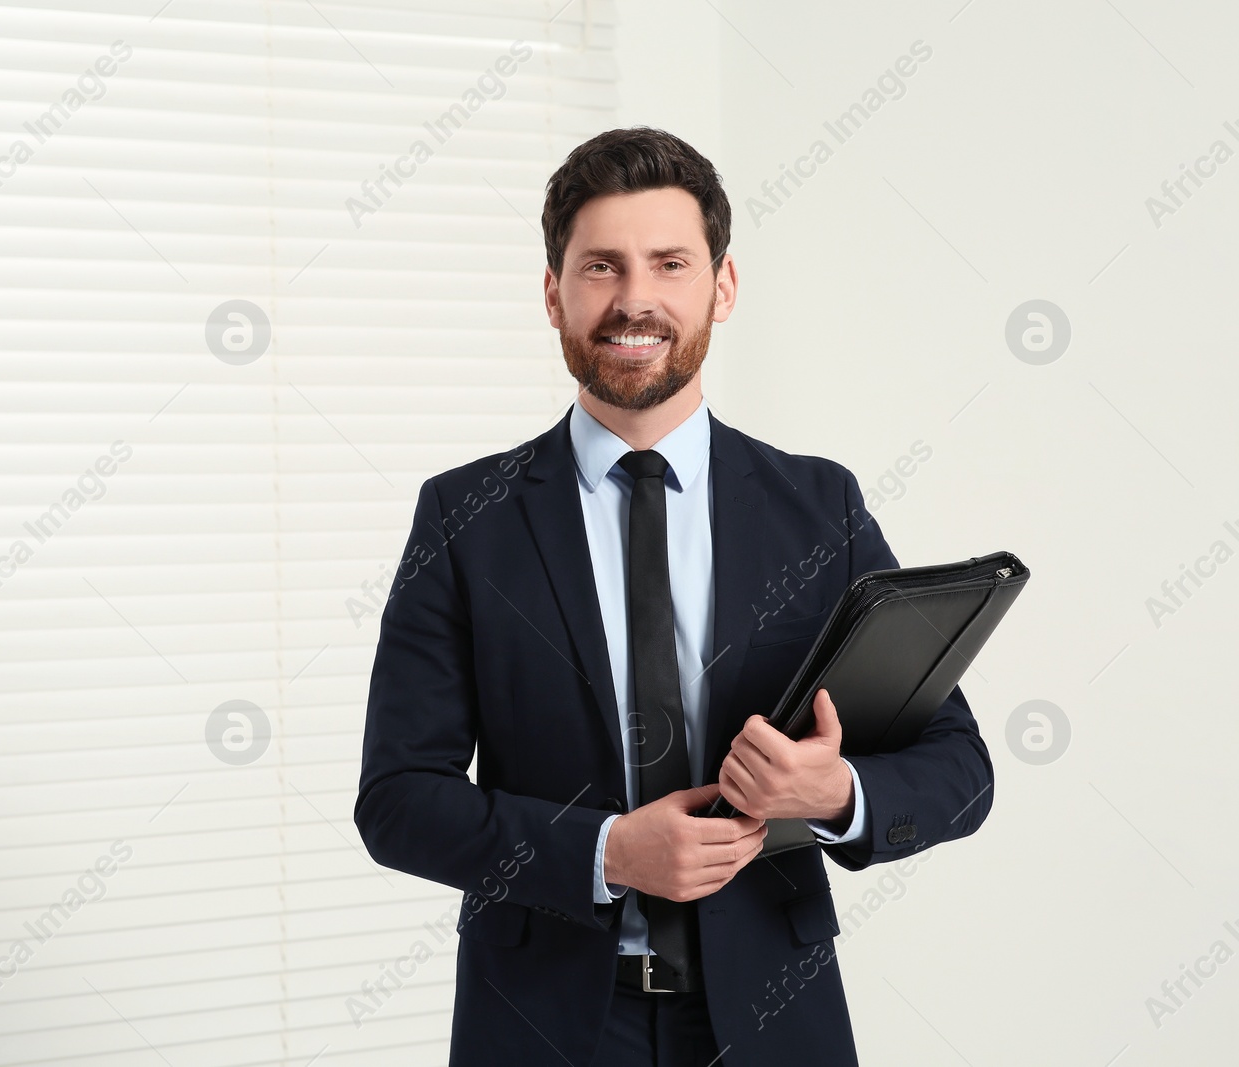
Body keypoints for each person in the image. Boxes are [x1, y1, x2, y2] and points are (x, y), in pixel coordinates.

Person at [354, 126, 994, 1066]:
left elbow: (961, 768)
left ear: (721, 286)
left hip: (776, 1019)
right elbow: (399, 800)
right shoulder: (465, 516)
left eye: (669, 263)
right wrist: (605, 852)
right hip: (540, 1025)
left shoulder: (820, 507)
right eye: (601, 267)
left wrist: (837, 792)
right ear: (553, 293)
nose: (635, 299)